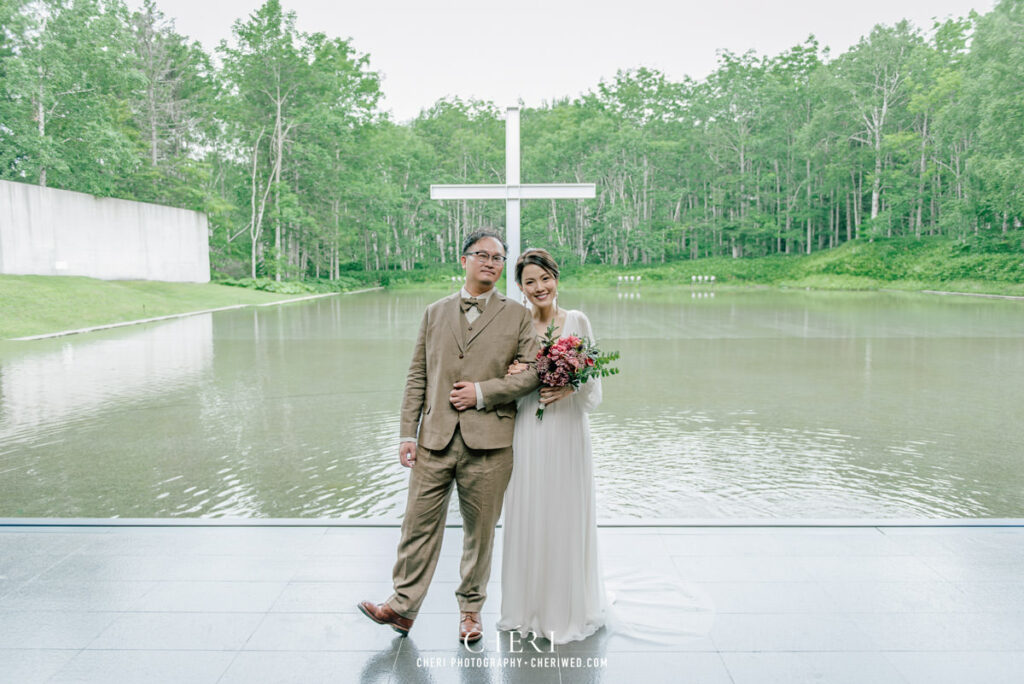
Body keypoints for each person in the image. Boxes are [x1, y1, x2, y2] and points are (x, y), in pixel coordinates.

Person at [358, 228, 542, 645]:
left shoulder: (517, 315)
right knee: (416, 525)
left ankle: (471, 612)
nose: (491, 262)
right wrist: (408, 432)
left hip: (491, 444)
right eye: (482, 255)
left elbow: (532, 372)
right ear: (464, 260)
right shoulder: (434, 312)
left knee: (480, 533)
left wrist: (482, 392)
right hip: (434, 438)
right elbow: (418, 374)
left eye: (498, 257)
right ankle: (402, 607)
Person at [498, 248, 608, 643]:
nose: (539, 287)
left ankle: (567, 608)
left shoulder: (577, 321)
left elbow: (594, 386)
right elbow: (501, 377)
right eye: (530, 281)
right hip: (529, 426)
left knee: (564, 510)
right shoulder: (514, 323)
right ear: (521, 288)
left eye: (545, 278)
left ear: (556, 279)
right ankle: (529, 607)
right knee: (530, 509)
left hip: (567, 430)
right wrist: (513, 373)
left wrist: (571, 387)